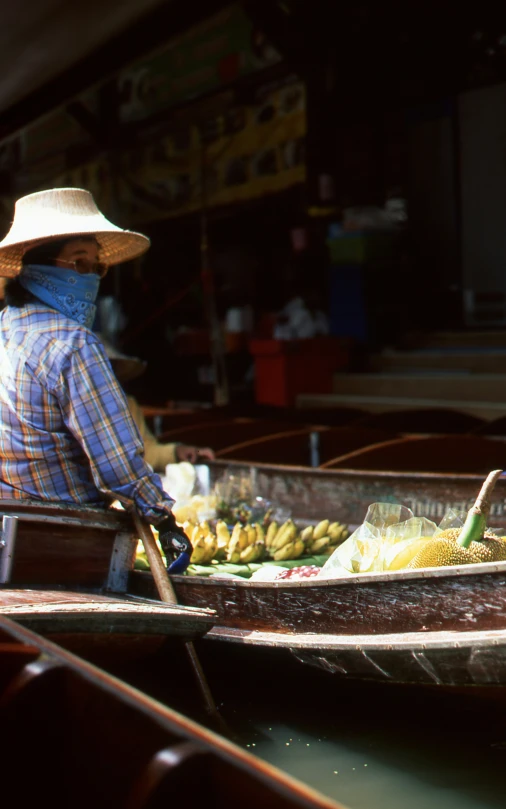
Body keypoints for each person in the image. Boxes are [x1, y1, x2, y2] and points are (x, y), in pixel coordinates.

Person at [0, 187, 192, 573]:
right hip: (65, 536)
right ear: (39, 266)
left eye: (95, 265)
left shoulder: (5, 329)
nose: (89, 276)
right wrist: (164, 519)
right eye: (78, 262)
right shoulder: (73, 344)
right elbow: (117, 463)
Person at [100, 338, 215, 472]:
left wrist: (177, 451)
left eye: (110, 368)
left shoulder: (126, 404)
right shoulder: (72, 410)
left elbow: (146, 452)